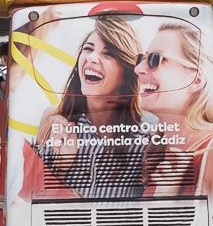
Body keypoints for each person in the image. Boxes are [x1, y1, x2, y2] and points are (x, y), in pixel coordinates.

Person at [31, 14, 147, 201]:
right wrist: (60, 167)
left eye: (108, 53)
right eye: (88, 49)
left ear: (126, 70)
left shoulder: (146, 136)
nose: (92, 58)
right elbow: (30, 199)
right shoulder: (56, 118)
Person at [136, 19, 213, 200]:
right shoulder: (158, 148)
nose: (138, 69)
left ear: (196, 79)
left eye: (155, 59)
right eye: (141, 59)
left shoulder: (211, 151)